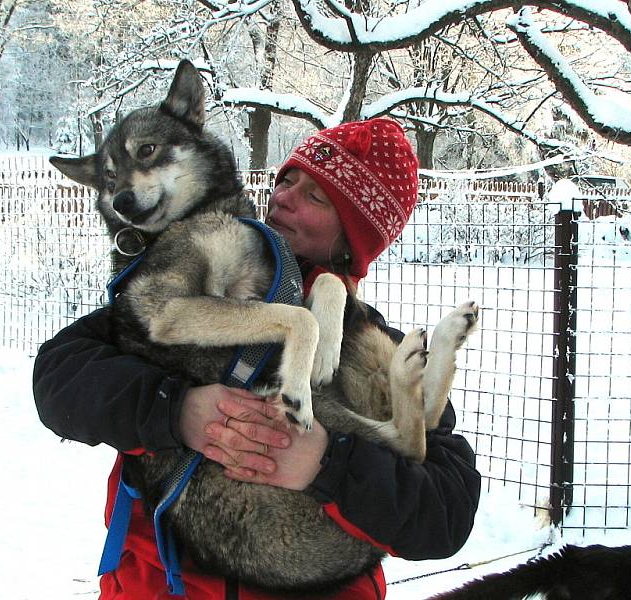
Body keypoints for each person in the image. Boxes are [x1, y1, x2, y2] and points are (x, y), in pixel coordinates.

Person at [33, 117, 481, 599]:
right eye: (288, 180)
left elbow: (445, 513)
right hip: (162, 584)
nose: (284, 197)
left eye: (315, 197)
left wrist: (326, 463)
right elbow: (60, 376)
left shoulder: (375, 344)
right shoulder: (196, 283)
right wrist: (176, 408)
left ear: (352, 238)